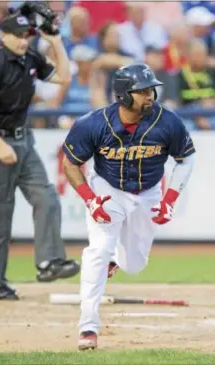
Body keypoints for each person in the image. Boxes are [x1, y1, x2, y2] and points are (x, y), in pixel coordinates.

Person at [61, 63, 196, 350]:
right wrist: (89, 198)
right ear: (124, 95)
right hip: (106, 188)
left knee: (135, 265)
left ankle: (117, 261)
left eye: (151, 90)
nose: (150, 96)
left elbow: (186, 159)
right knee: (98, 249)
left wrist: (169, 199)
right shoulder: (92, 123)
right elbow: (70, 163)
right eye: (143, 91)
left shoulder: (168, 122)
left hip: (148, 192)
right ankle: (88, 327)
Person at [0, 9, 79, 301]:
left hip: (23, 140)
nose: (23, 41)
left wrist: (56, 42)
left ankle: (49, 261)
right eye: (17, 35)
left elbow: (63, 77)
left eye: (27, 35)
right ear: (3, 36)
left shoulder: (31, 59)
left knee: (47, 196)